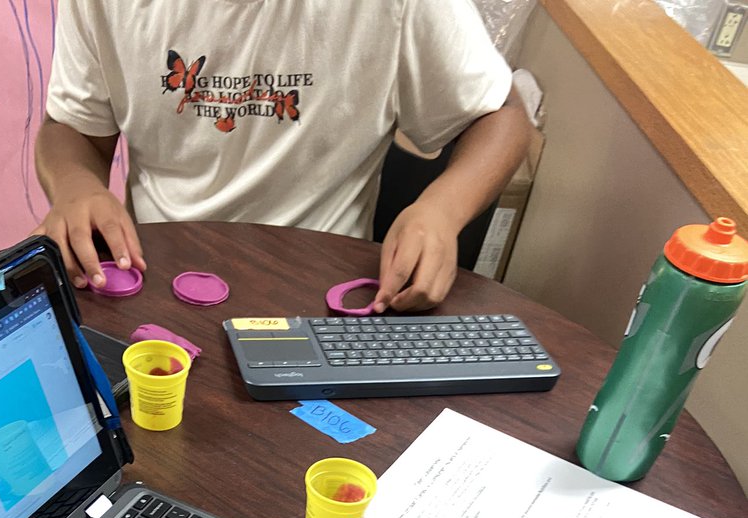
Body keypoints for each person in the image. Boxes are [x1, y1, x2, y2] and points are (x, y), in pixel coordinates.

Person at [33, 0, 531, 312]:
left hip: (318, 290)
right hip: (157, 275)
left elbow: (502, 118)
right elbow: (73, 128)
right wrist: (77, 186)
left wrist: (440, 211)